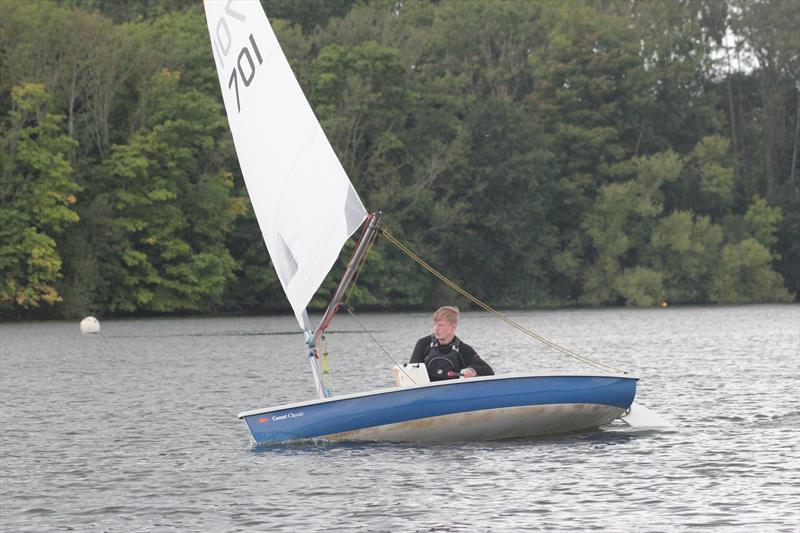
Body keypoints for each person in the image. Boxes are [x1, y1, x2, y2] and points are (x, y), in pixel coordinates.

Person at [410, 306, 494, 381]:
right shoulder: (423, 344)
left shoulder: (463, 349)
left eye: (440, 325)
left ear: (452, 327)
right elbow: (410, 371)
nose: (436, 328)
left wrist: (473, 370)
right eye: (435, 324)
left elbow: (489, 371)